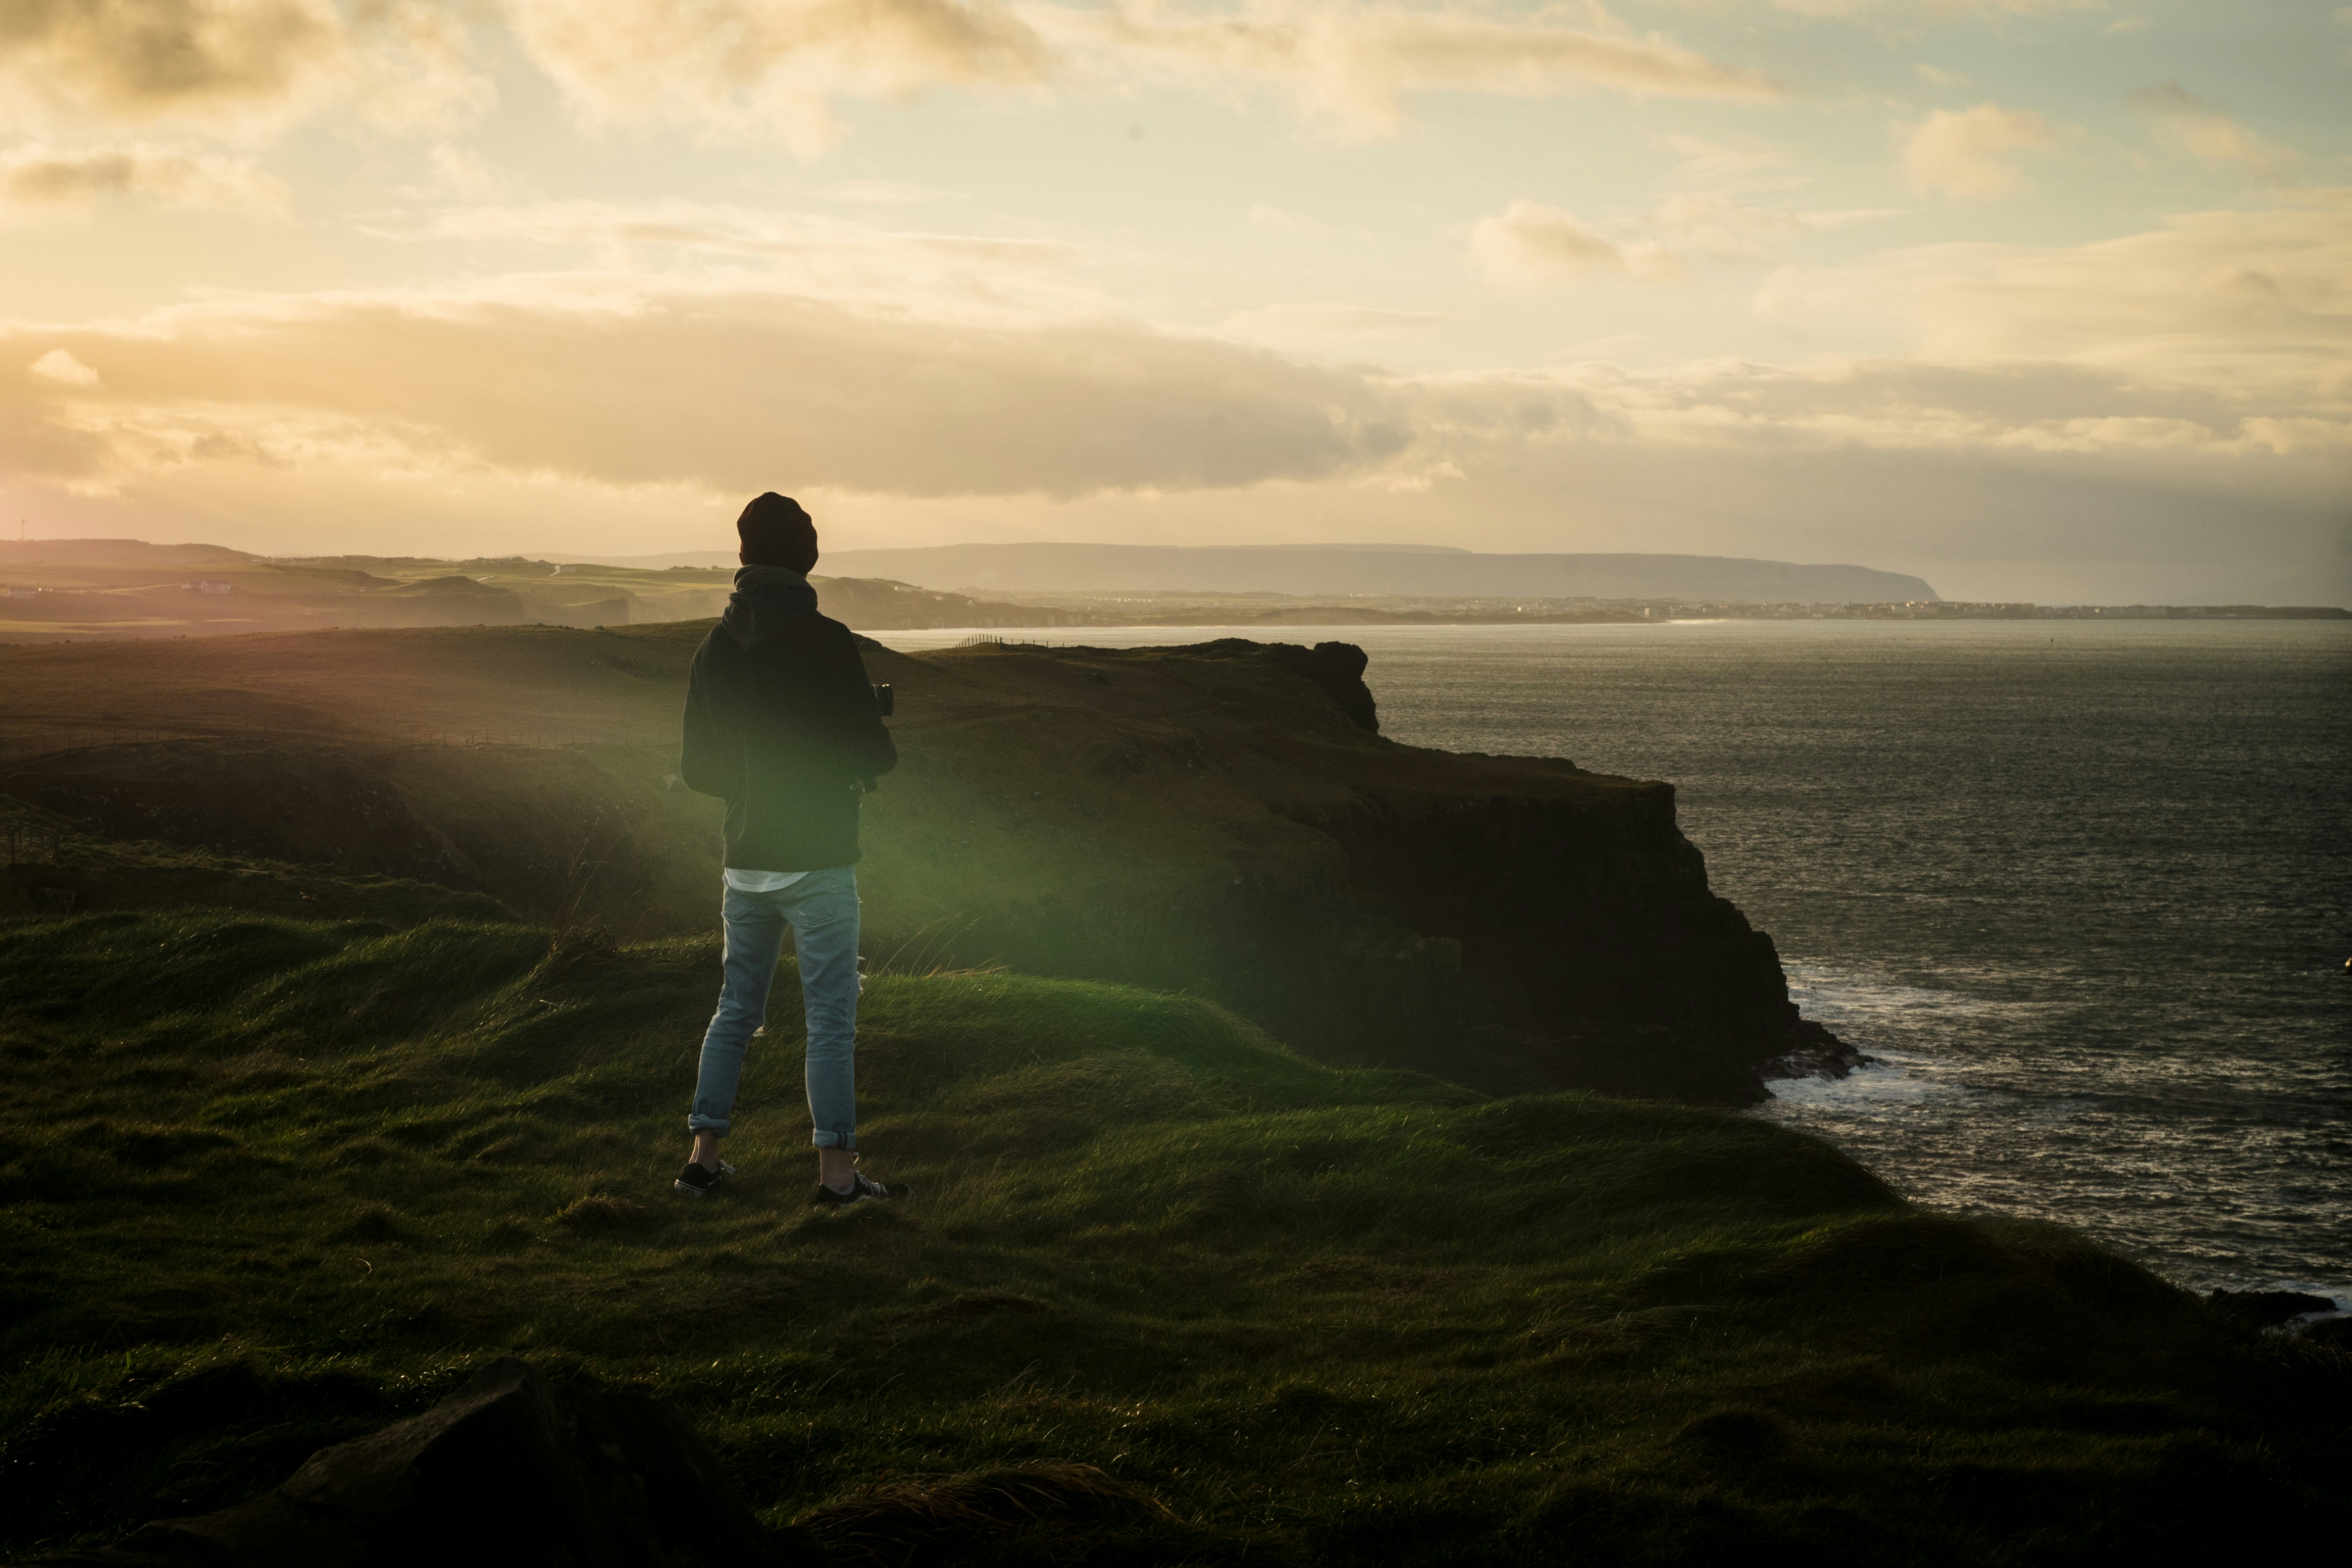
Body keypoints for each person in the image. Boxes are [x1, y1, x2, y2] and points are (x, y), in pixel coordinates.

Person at [676, 492, 905, 1208]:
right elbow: (875, 752)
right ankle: (837, 1177)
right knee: (829, 1019)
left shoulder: (712, 648)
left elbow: (698, 771)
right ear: (805, 558)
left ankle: (702, 1160)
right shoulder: (828, 639)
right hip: (819, 858)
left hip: (745, 860)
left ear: (743, 556)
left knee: (735, 1010)